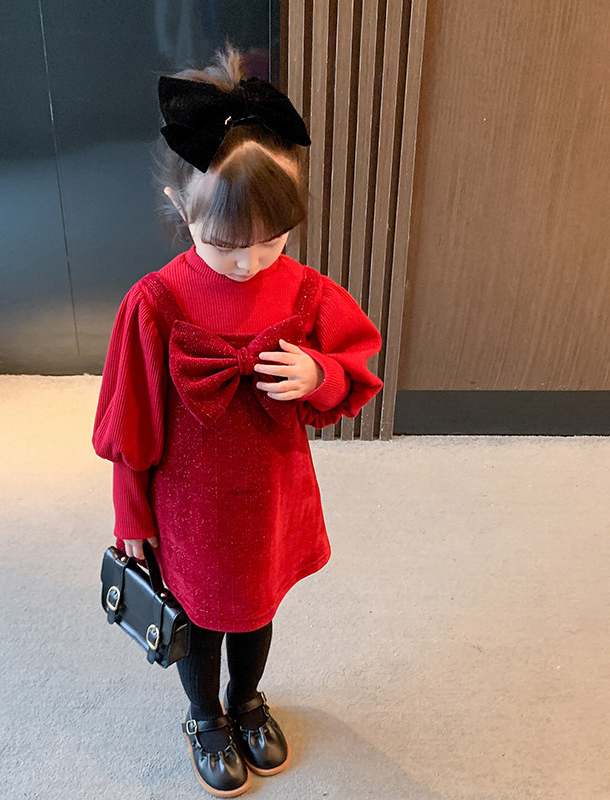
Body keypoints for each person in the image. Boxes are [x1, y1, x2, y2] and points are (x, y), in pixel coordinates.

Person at [93, 46, 383, 798]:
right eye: (225, 244)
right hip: (187, 503)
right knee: (198, 616)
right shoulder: (155, 303)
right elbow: (129, 426)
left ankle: (246, 700)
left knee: (254, 609)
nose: (251, 263)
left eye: (272, 240)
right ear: (179, 205)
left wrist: (319, 373)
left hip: (269, 492)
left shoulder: (307, 291)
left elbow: (354, 363)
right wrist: (131, 518)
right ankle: (204, 715)